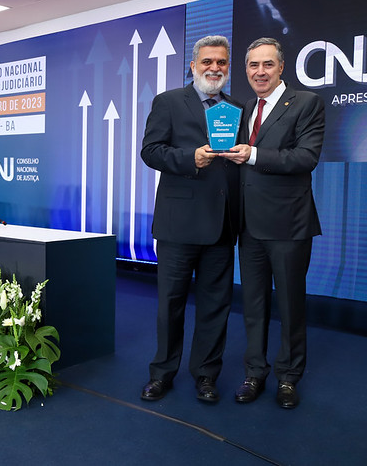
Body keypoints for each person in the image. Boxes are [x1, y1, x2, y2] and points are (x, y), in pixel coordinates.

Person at [220, 37, 325, 409]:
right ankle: (255, 373)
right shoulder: (245, 107)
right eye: (252, 65)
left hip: (288, 225)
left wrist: (253, 154)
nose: (259, 72)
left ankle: (288, 378)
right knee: (253, 304)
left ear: (281, 67)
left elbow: (304, 158)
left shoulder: (307, 103)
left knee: (291, 306)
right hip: (249, 226)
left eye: (267, 65)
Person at [139, 35, 241, 403]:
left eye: (222, 63)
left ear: (228, 68)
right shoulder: (168, 102)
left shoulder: (237, 108)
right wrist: (189, 159)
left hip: (221, 225)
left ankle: (206, 375)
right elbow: (150, 151)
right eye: (208, 61)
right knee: (171, 303)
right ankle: (162, 373)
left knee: (216, 306)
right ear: (194, 65)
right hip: (178, 224)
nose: (215, 68)